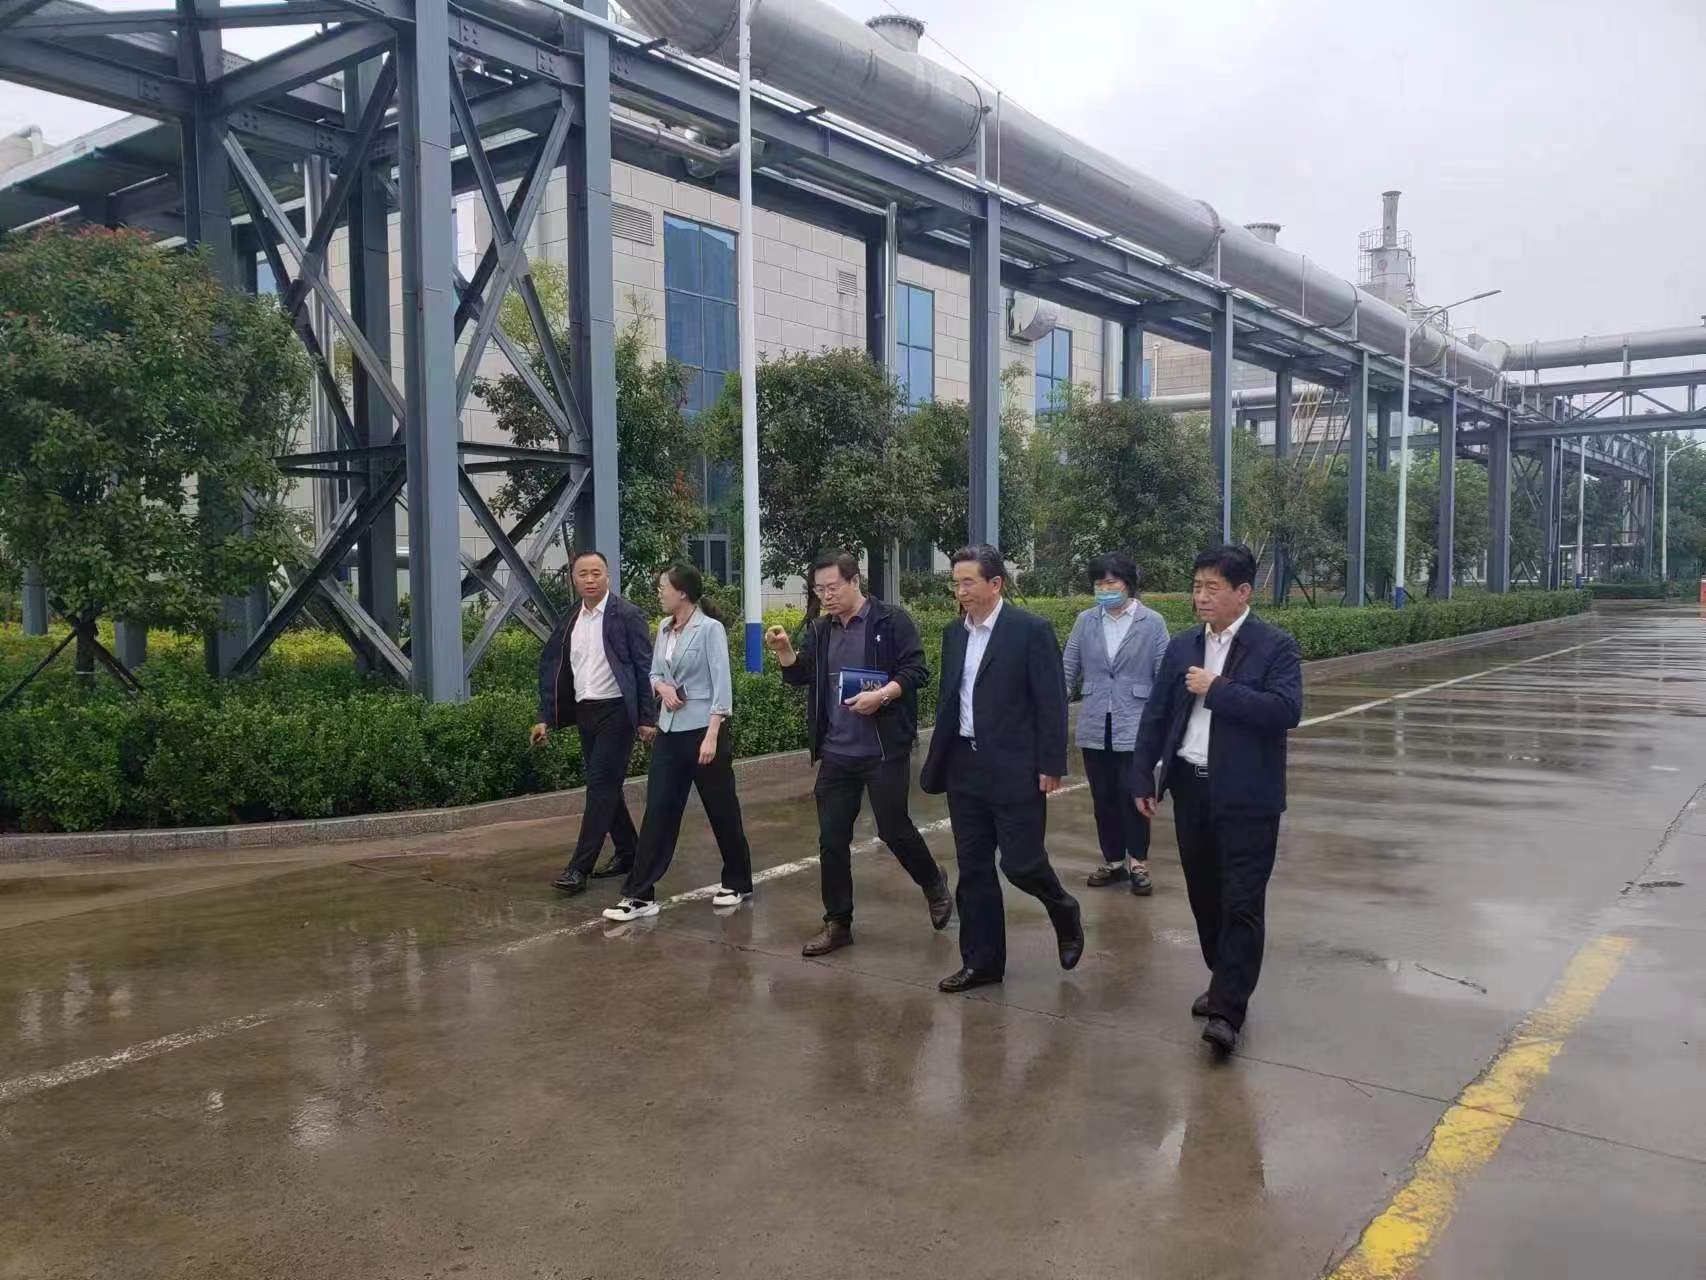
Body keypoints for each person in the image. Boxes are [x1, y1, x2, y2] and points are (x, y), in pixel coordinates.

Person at [1133, 544, 1302, 1055]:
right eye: (1197, 587)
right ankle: (1224, 976)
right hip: (1191, 786)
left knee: (1242, 901)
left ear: (1243, 592)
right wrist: (1142, 779)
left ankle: (1228, 1010)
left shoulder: (1274, 646)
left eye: (1212, 587)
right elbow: (1157, 714)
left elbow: (1285, 711)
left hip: (1248, 796)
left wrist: (1218, 688)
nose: (1201, 597)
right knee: (1204, 896)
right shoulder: (1183, 645)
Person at [765, 551, 952, 957]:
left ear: (855, 581)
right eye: (819, 590)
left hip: (882, 748)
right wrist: (784, 651)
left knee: (893, 828)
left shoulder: (891, 621)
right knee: (832, 838)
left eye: (833, 587)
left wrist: (882, 695)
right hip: (837, 750)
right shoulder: (819, 629)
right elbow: (802, 674)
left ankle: (933, 882)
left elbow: (917, 671)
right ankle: (838, 923)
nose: (826, 596)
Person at [920, 545, 1084, 993]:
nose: (960, 591)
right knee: (973, 869)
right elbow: (951, 698)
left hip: (1015, 767)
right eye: (955, 583)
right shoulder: (955, 634)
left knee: (1021, 863)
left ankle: (1062, 907)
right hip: (964, 766)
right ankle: (982, 962)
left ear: (996, 584)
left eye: (968, 582)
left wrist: (1051, 763)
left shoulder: (1029, 630)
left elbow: (1051, 702)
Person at [604, 562, 754, 921]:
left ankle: (738, 881)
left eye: (663, 588)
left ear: (682, 592)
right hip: (670, 731)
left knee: (722, 810)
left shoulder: (710, 629)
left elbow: (722, 684)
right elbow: (654, 672)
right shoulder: (664, 628)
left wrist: (713, 735)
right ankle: (639, 895)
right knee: (658, 811)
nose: (659, 593)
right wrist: (663, 687)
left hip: (705, 731)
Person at [532, 550, 656, 895]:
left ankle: (578, 868)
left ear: (607, 576)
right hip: (585, 712)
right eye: (583, 574)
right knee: (607, 786)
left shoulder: (627, 614)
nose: (590, 579)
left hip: (617, 712)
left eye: (596, 573)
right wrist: (544, 718)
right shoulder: (571, 620)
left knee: (600, 787)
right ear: (574, 579)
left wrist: (647, 718)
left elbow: (644, 667)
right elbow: (555, 671)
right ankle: (629, 851)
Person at [1061, 553, 1170, 896]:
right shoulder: (1085, 621)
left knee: (1134, 793)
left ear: (1128, 584)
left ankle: (1138, 862)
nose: (1105, 589)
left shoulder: (1152, 623)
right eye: (1099, 583)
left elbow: (1164, 677)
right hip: (1095, 722)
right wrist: (1050, 705)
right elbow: (1067, 668)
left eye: (1112, 582)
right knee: (1103, 796)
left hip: (1135, 722)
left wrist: (1162, 728)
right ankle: (1113, 861)